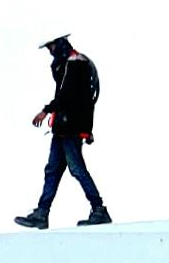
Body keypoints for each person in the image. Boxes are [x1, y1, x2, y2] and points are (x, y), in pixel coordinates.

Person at [15, 34, 109, 228]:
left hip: (70, 128)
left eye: (51, 47)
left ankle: (99, 210)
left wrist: (46, 111)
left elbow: (68, 96)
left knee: (76, 169)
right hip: (63, 128)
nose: (50, 52)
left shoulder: (75, 65)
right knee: (53, 170)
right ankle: (42, 213)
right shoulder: (71, 64)